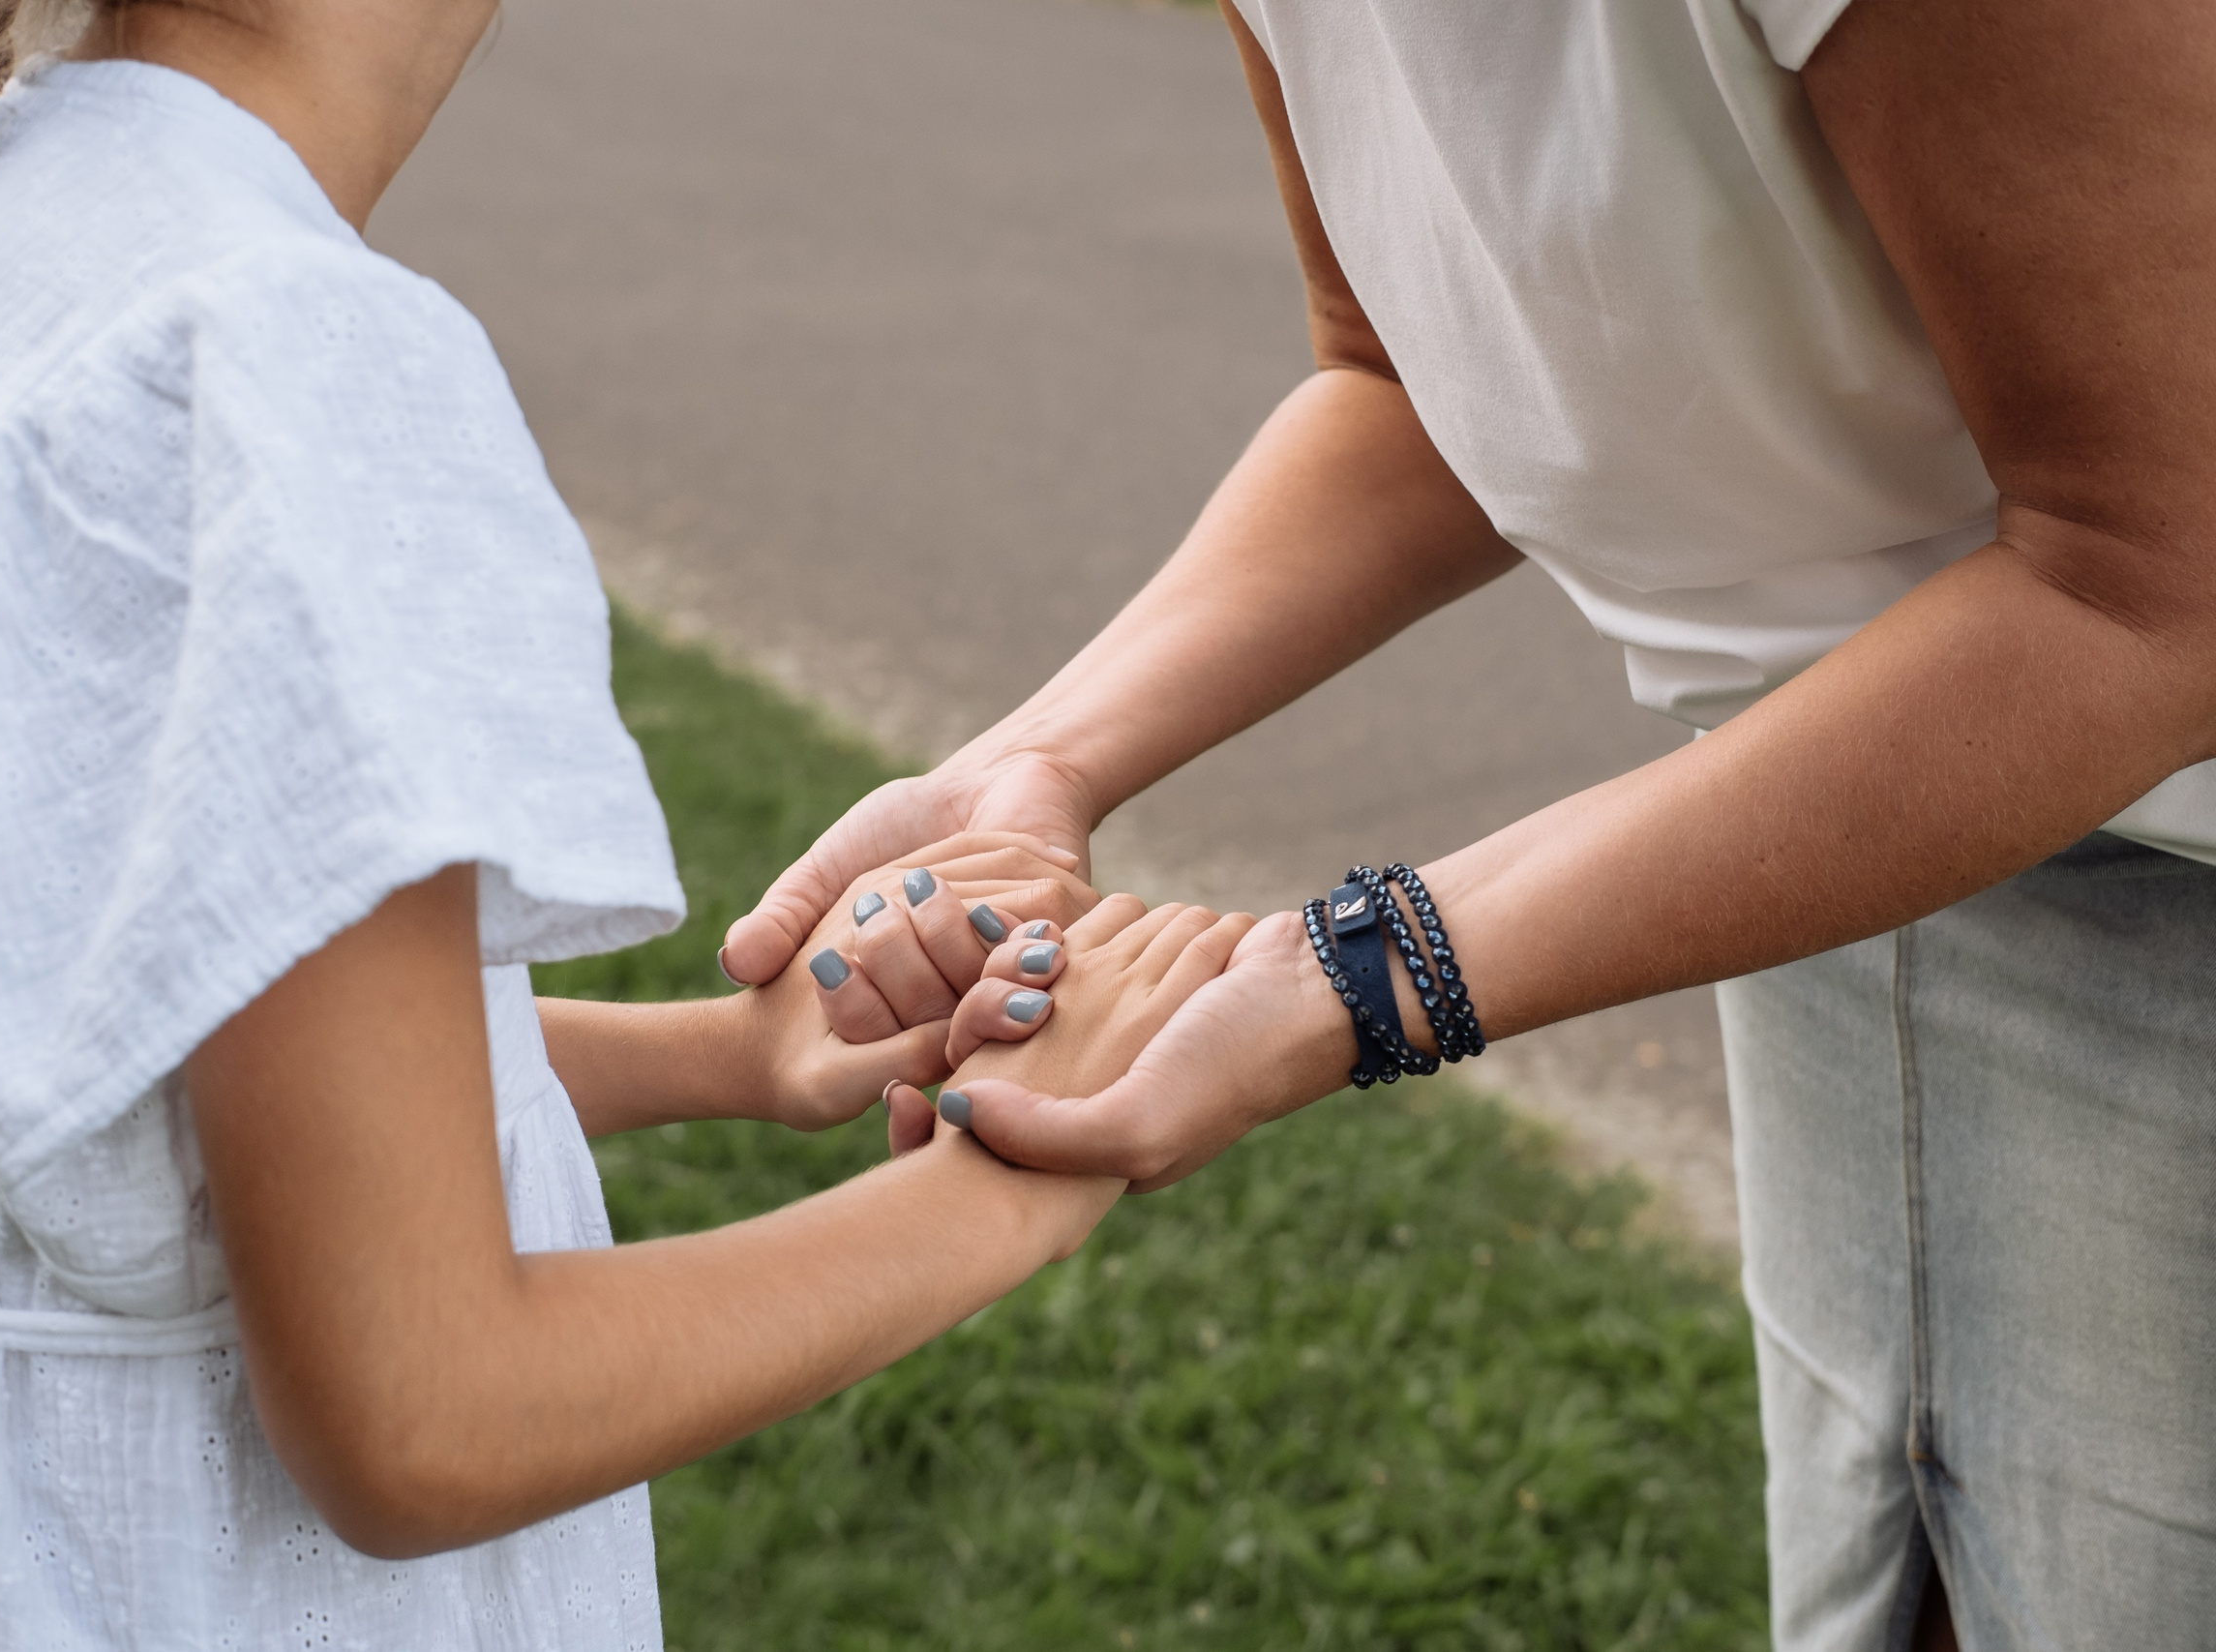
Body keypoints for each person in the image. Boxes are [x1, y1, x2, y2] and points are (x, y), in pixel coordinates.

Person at [0, 0, 1248, 1643]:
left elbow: (164, 1071)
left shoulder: (24, 209)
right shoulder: (283, 352)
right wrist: (1015, 1181)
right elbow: (424, 1419)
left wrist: (723, 1057)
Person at [722, 0, 2216, 1645]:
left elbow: (2161, 584)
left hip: (2176, 868)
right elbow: (1404, 381)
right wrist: (1039, 764)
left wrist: (1358, 974)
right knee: (1902, 1570)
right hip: (1833, 830)